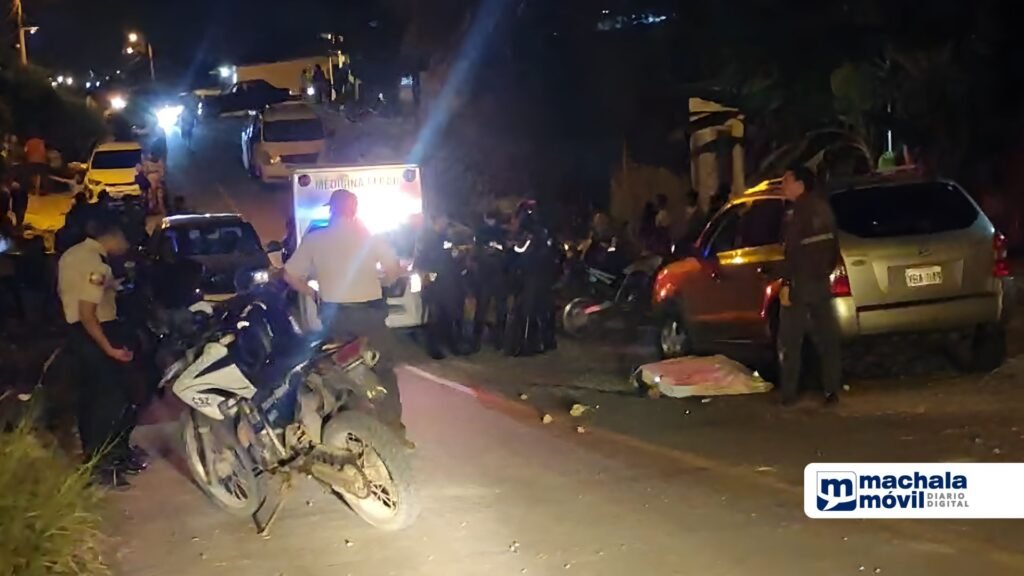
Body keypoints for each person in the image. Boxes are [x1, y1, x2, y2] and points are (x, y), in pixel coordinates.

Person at [283, 189, 410, 443]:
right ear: (355, 210)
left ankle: (344, 428)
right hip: (370, 317)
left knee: (337, 372)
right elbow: (393, 270)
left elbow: (289, 275)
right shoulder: (371, 238)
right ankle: (394, 430)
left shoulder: (315, 239)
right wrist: (383, 282)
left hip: (335, 317)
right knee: (382, 369)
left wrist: (313, 293)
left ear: (331, 210)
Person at [57, 216, 141, 488]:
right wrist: (110, 348)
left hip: (76, 334)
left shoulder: (71, 254)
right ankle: (103, 465)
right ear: (113, 236)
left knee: (90, 399)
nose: (126, 245)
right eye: (124, 239)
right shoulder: (97, 265)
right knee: (109, 401)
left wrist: (113, 286)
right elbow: (87, 313)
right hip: (95, 332)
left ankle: (95, 459)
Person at [777, 165, 843, 407]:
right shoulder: (824, 209)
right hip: (821, 282)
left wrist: (786, 282)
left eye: (786, 181)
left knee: (790, 341)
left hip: (800, 284)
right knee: (828, 339)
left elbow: (792, 252)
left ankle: (789, 394)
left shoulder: (796, 213)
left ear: (800, 184)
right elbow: (834, 246)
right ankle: (831, 389)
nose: (783, 186)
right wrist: (825, 271)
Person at [504, 200, 558, 356]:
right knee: (531, 309)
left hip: (532, 274)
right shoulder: (538, 231)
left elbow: (520, 251)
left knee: (531, 309)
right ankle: (529, 343)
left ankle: (526, 344)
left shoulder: (534, 232)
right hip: (533, 274)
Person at [416, 212, 466, 359]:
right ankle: (433, 348)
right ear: (436, 220)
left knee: (449, 315)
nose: (446, 222)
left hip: (449, 283)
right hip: (435, 284)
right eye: (443, 219)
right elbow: (421, 262)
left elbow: (451, 257)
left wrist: (459, 255)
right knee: (435, 317)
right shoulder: (426, 238)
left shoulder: (446, 237)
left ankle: (451, 344)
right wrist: (428, 280)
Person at [470, 210, 509, 351]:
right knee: (493, 308)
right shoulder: (495, 233)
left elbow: (476, 255)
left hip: (490, 276)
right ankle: (495, 340)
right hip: (492, 275)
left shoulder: (482, 233)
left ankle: (480, 340)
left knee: (488, 308)